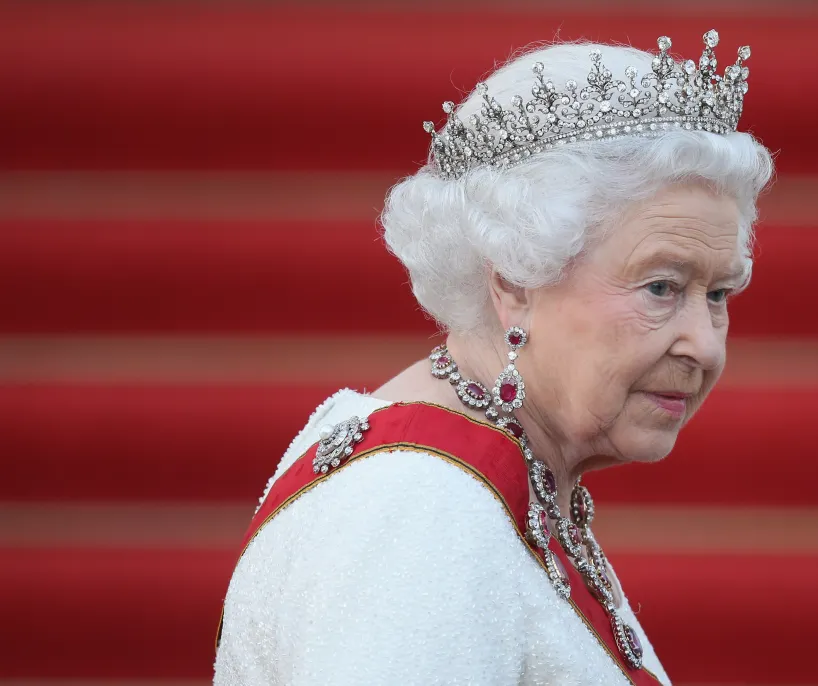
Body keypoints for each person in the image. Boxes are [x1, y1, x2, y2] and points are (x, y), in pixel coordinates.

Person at [215, 30, 773, 685]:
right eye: (661, 287)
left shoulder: (492, 482)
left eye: (720, 292)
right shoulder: (417, 509)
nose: (704, 345)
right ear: (512, 277)